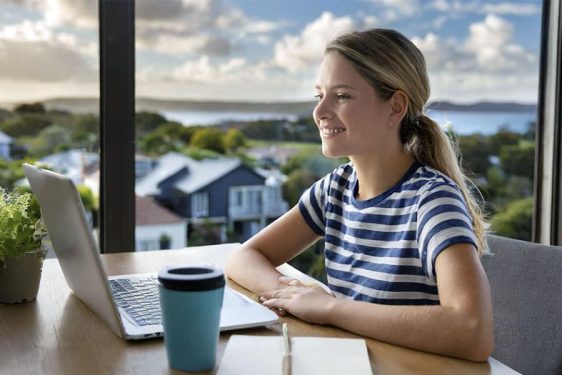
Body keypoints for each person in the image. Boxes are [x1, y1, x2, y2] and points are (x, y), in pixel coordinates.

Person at [225, 28, 493, 361]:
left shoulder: (432, 200)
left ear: (395, 107)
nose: (320, 111)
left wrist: (330, 308)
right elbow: (243, 258)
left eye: (342, 96)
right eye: (318, 95)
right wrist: (291, 294)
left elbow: (472, 331)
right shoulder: (335, 189)